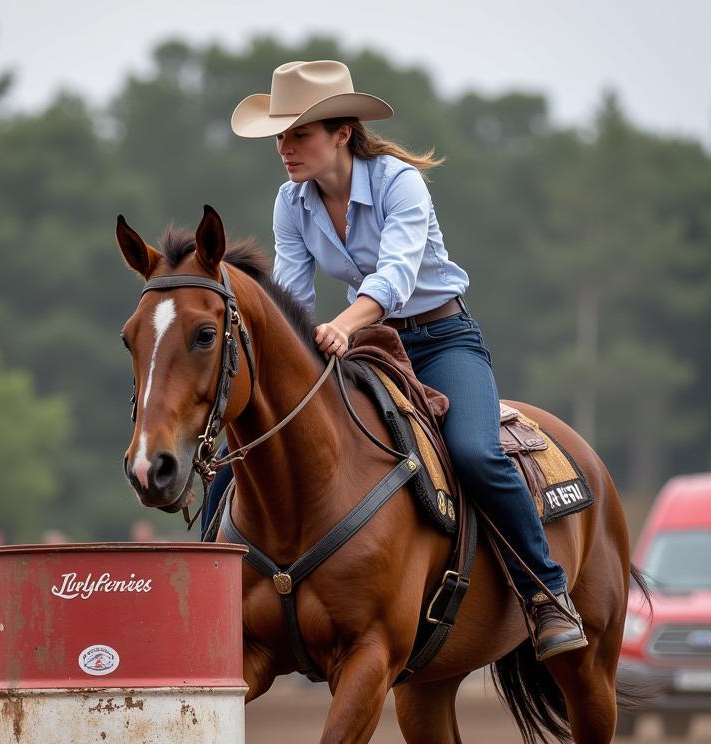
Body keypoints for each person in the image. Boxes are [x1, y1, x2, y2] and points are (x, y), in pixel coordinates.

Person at [218, 59, 585, 661]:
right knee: (253, 449)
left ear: (341, 133)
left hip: (442, 339)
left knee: (474, 450)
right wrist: (297, 345)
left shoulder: (399, 182)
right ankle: (218, 596)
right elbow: (290, 296)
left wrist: (340, 326)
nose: (284, 148)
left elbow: (396, 274)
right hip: (359, 340)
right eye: (280, 136)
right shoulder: (292, 202)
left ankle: (545, 594)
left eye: (298, 134)